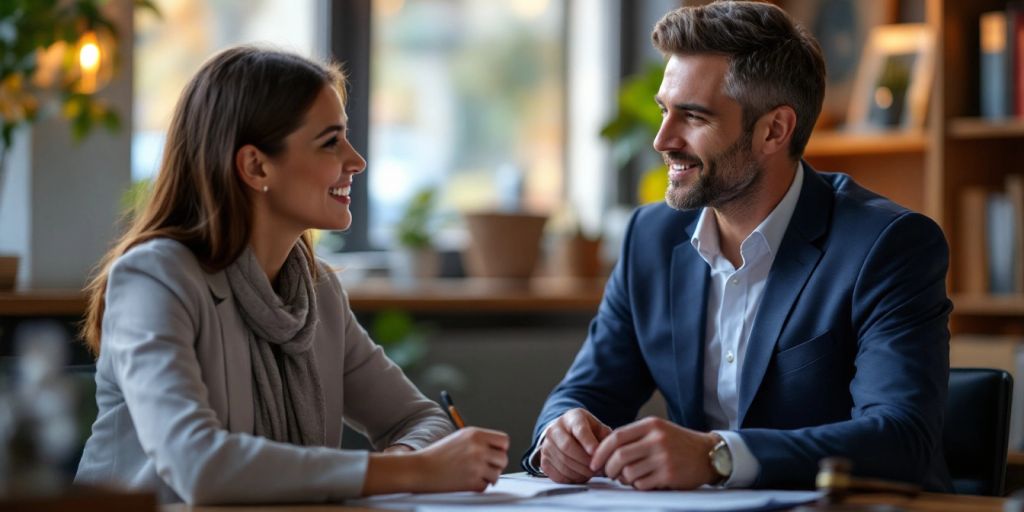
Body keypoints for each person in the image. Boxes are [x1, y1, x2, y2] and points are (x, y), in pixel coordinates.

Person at [523, 1, 952, 492]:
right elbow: (586, 391)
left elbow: (901, 439)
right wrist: (559, 434)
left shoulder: (887, 246)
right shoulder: (650, 238)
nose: (662, 139)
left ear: (774, 130)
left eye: (693, 116)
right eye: (666, 111)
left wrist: (718, 457)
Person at [75, 46, 509, 505]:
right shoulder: (155, 277)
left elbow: (423, 421)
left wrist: (409, 459)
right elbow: (198, 465)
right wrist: (412, 469)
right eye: (330, 142)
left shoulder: (316, 292)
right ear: (256, 166)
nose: (356, 160)